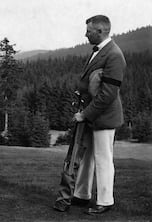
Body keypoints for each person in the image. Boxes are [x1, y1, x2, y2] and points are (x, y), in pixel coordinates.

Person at [74, 15, 126, 215]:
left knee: (103, 158)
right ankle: (81, 195)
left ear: (101, 31)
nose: (85, 34)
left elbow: (108, 94)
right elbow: (92, 83)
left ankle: (105, 200)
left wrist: (84, 115)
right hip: (91, 114)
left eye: (88, 31)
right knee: (87, 156)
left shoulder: (114, 55)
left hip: (104, 117)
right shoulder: (98, 52)